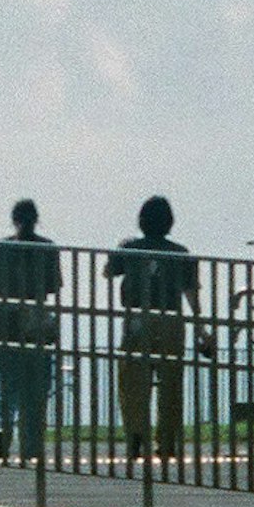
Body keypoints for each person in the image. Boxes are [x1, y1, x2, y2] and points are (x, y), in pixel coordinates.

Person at [105, 195, 201, 460]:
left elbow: (108, 272)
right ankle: (167, 440)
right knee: (171, 382)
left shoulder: (130, 248)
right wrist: (202, 328)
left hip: (137, 317)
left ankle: (136, 433)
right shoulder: (180, 253)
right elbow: (191, 292)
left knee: (133, 381)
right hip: (171, 319)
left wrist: (121, 249)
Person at [0, 199, 62, 462]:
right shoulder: (47, 248)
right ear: (36, 219)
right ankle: (31, 445)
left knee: (6, 383)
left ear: (13, 219)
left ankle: (1, 428)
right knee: (37, 386)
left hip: (1, 324)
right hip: (35, 325)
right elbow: (54, 285)